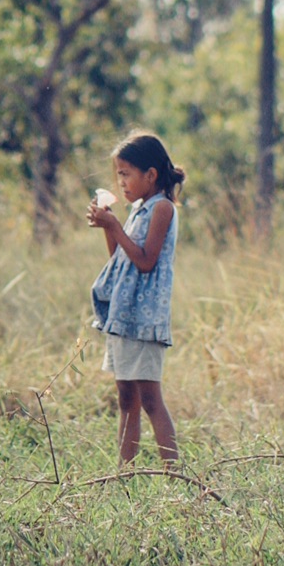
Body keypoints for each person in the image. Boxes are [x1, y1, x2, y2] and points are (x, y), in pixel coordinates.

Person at [87, 130, 184, 465]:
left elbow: (145, 262)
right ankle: (123, 475)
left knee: (150, 399)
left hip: (144, 322)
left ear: (151, 175)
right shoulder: (138, 210)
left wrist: (115, 226)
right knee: (126, 399)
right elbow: (120, 257)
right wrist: (108, 228)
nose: (121, 183)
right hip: (123, 317)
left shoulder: (162, 210)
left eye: (126, 174)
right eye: (119, 175)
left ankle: (174, 473)